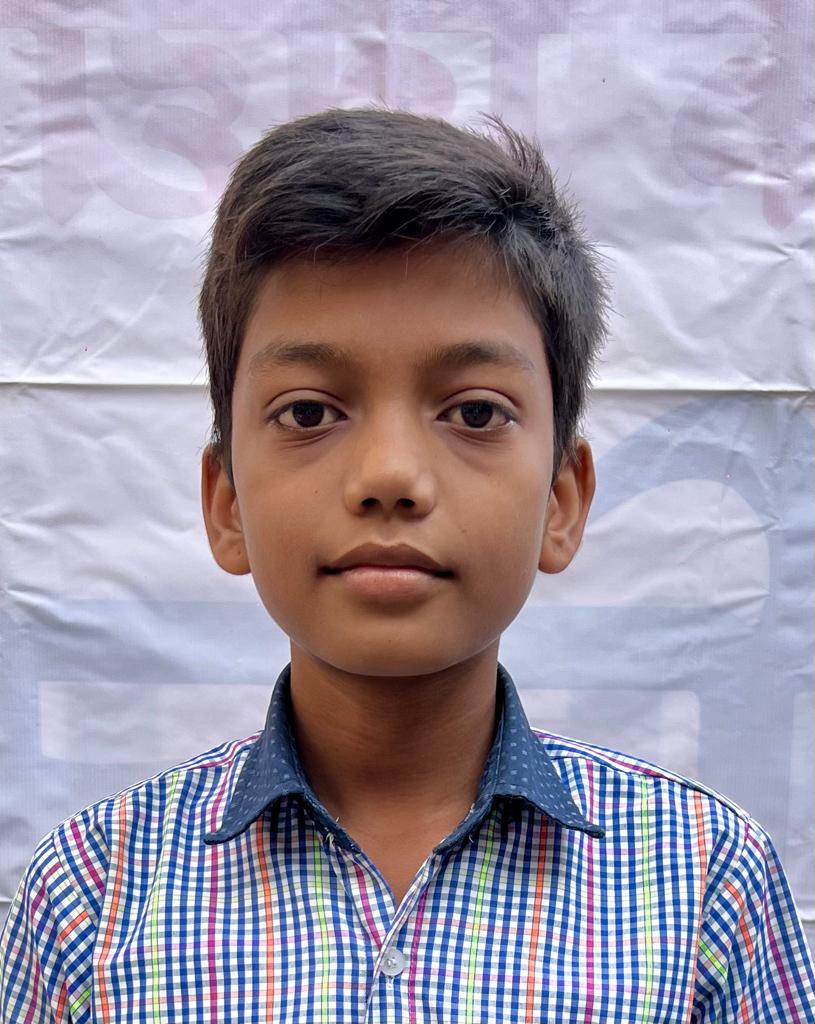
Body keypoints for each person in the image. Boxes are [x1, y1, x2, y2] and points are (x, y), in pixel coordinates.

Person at [1, 105, 813, 1024]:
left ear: (561, 499)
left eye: (474, 412)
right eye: (309, 412)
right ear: (226, 503)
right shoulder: (93, 895)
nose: (389, 475)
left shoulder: (700, 882)